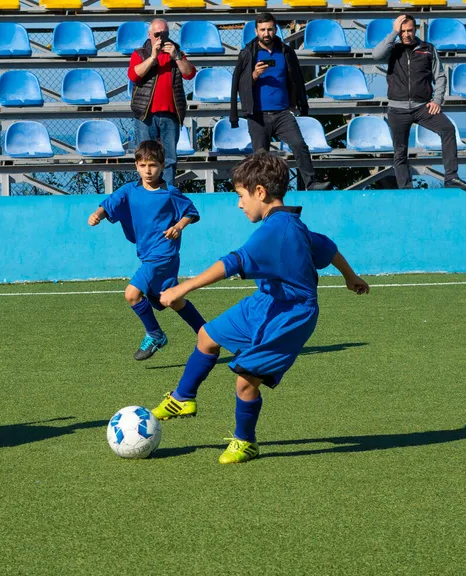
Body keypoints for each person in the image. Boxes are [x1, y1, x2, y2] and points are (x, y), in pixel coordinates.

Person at [151, 151, 369, 464]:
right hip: (265, 302)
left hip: (291, 314)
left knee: (245, 382)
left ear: (260, 193)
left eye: (241, 196)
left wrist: (182, 288)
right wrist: (351, 277)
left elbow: (232, 263)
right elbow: (328, 248)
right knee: (207, 337)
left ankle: (246, 441)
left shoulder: (275, 230)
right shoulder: (290, 222)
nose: (240, 204)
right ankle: (183, 398)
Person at [87, 140, 206, 361]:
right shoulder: (129, 191)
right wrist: (97, 214)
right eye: (142, 165)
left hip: (164, 254)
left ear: (162, 165)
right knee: (172, 299)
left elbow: (190, 211)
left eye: (152, 165)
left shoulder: (170, 193)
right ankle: (207, 333)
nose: (148, 170)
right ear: (136, 166)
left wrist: (178, 226)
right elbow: (109, 203)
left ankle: (155, 334)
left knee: (132, 294)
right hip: (148, 254)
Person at [230, 13, 331, 192]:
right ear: (256, 31)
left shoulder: (286, 51)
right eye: (262, 30)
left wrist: (300, 103)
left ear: (276, 29)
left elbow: (297, 78)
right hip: (258, 115)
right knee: (260, 158)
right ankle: (262, 190)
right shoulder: (247, 53)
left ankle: (311, 183)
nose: (266, 33)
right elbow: (238, 85)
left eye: (269, 29)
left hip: (282, 113)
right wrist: (253, 75)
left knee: (299, 145)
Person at [372, 14, 466, 190]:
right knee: (400, 152)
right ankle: (406, 189)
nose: (406, 34)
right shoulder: (392, 49)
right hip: (397, 109)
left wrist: (437, 100)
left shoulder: (427, 48)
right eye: (403, 31)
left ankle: (451, 178)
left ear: (416, 29)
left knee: (448, 129)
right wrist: (393, 32)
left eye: (409, 30)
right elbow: (376, 55)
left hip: (422, 107)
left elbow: (440, 76)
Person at [127, 18, 197, 186]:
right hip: (146, 115)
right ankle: (146, 195)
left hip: (171, 114)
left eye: (165, 34)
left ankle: (167, 195)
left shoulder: (176, 52)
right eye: (158, 34)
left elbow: (190, 73)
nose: (162, 38)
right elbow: (134, 75)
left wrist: (177, 56)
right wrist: (152, 58)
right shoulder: (140, 53)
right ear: (150, 35)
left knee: (170, 160)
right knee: (145, 159)